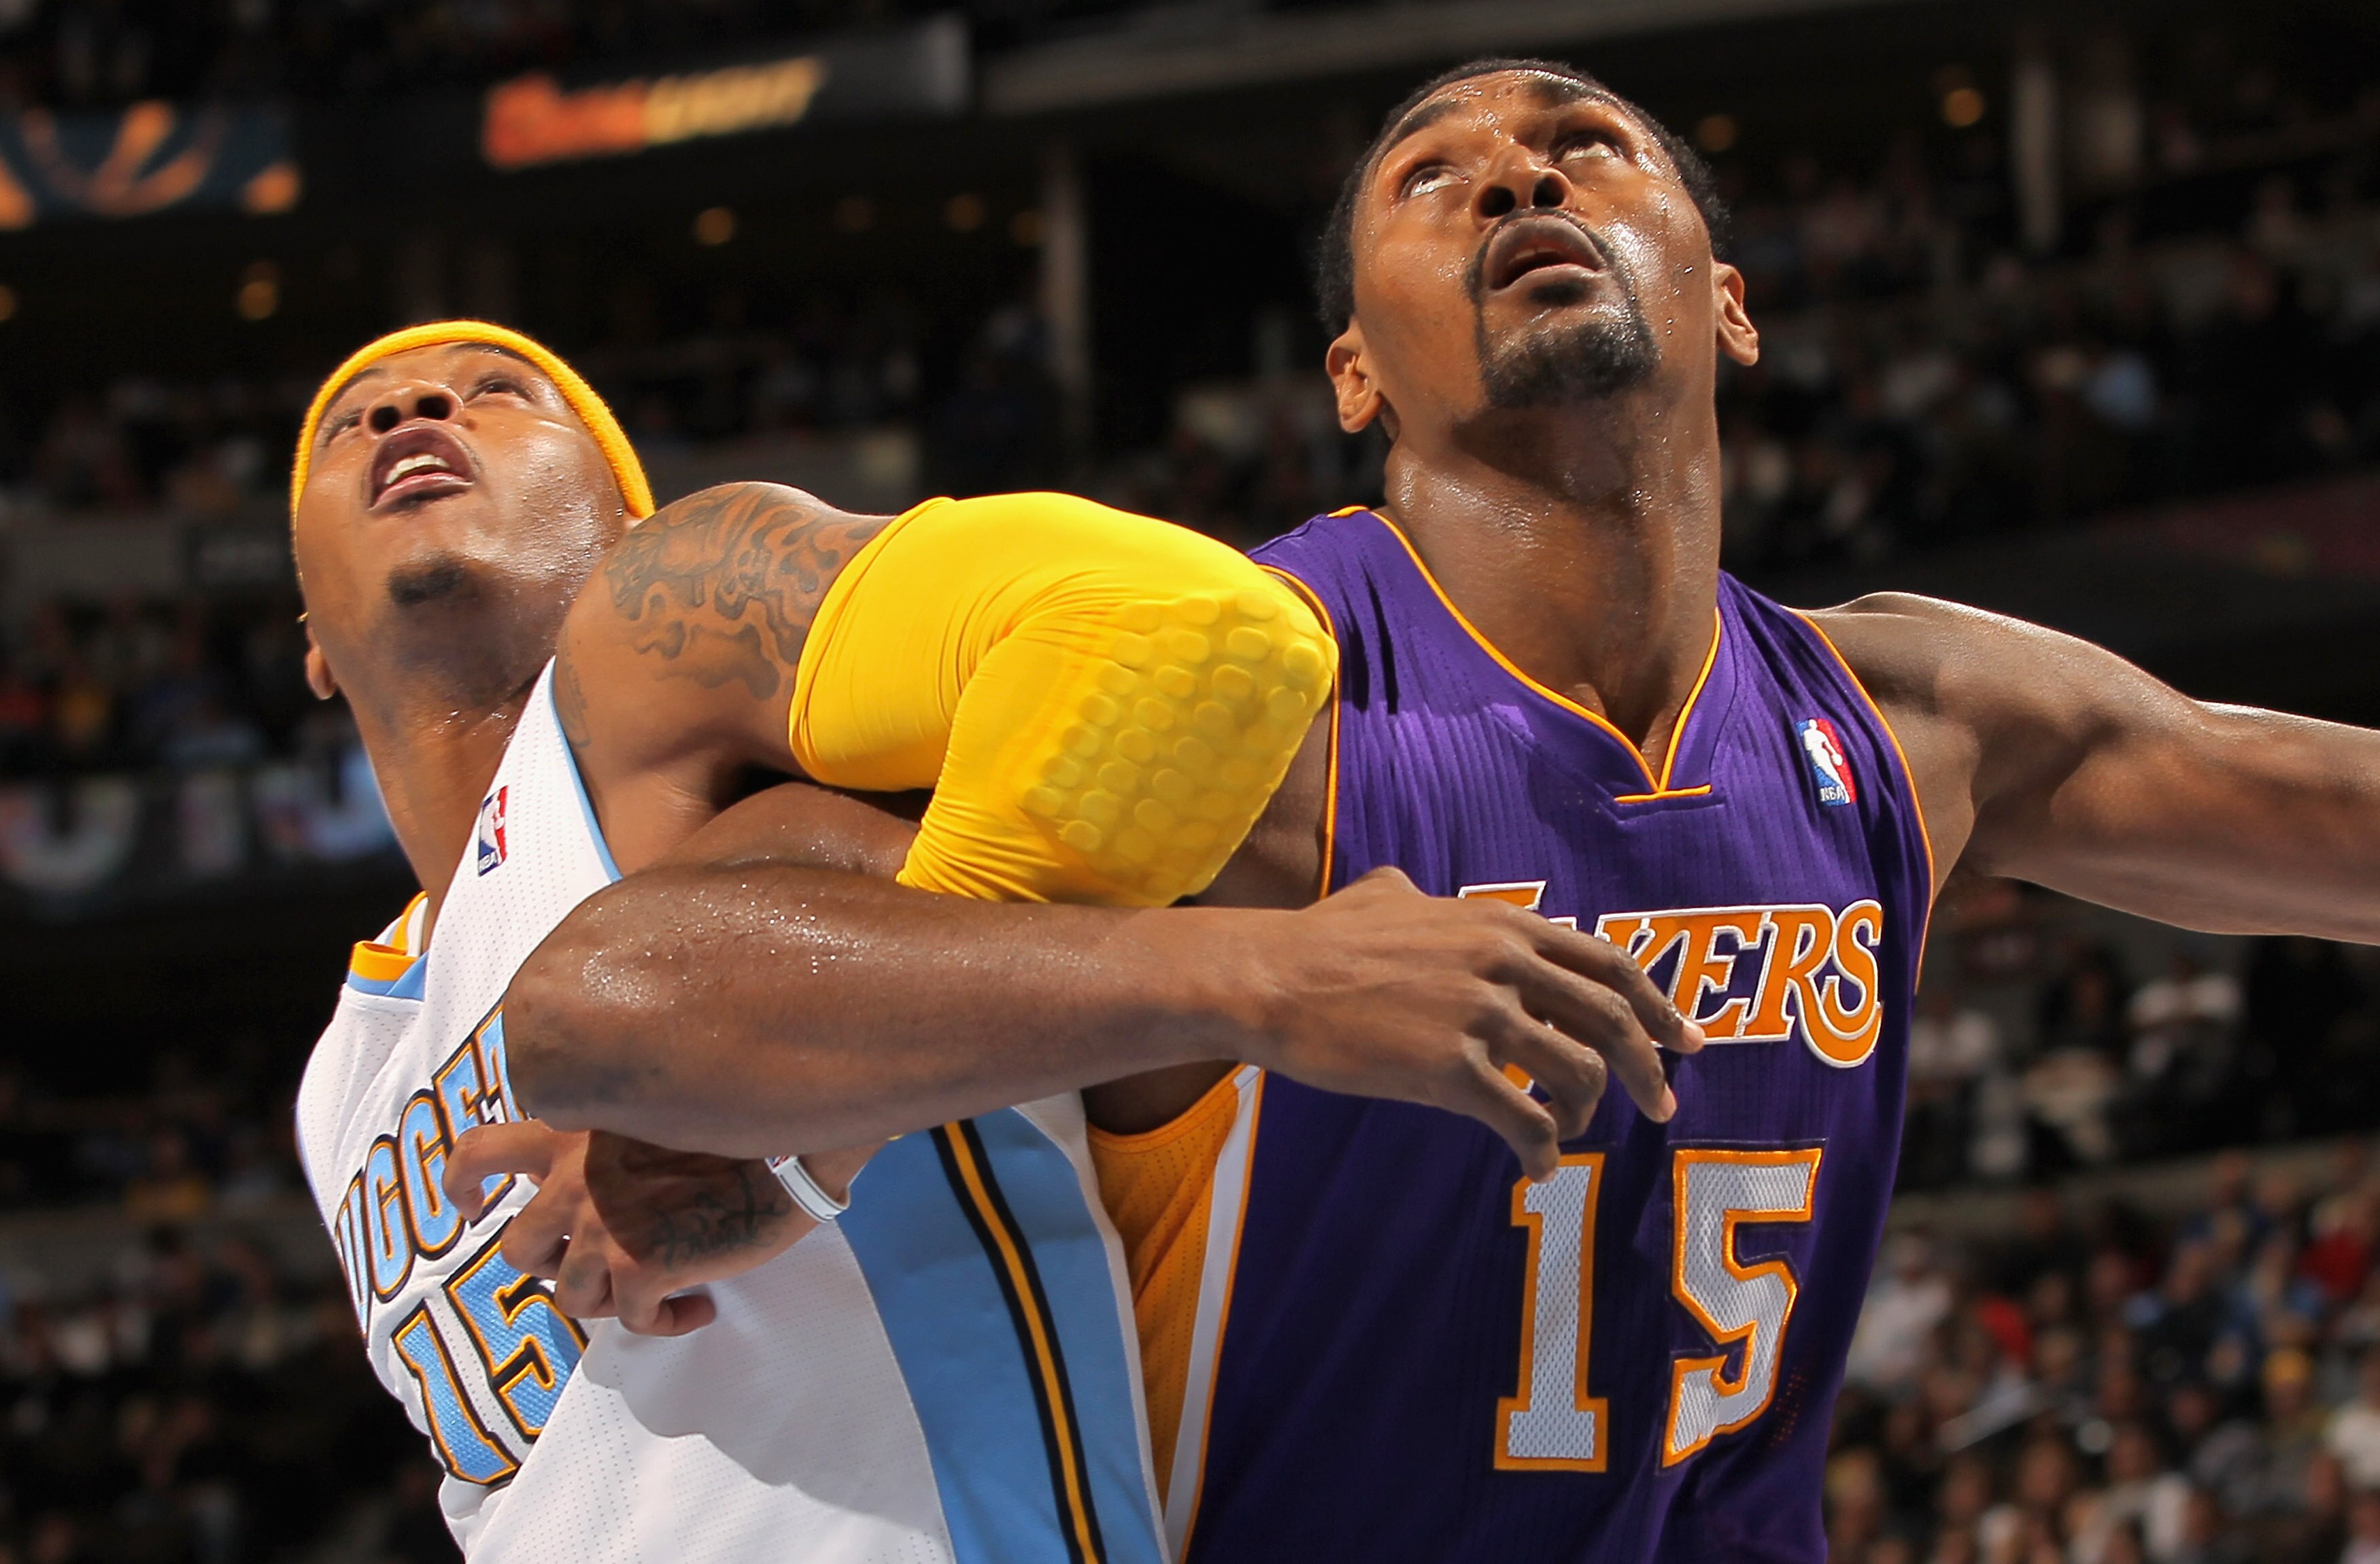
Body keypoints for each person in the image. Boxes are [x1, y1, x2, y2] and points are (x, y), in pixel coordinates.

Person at [497, 56, 2380, 1562]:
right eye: (1433, 175)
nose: (1518, 178)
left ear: (1727, 305)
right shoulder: (1225, 695)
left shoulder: (1911, 719)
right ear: (1350, 374)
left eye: (1585, 146)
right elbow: (604, 1007)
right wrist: (1249, 978)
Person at [294, 320, 1676, 1561]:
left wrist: (781, 1140)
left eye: (497, 392)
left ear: (623, 521)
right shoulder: (337, 1078)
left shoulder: (654, 655)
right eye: (357, 415)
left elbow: (1185, 636)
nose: (414, 411)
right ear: (309, 635)